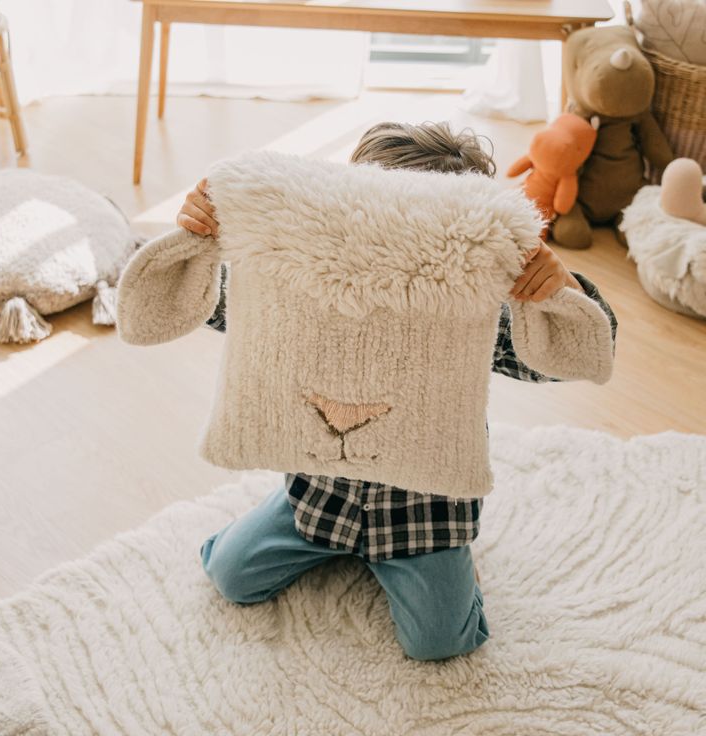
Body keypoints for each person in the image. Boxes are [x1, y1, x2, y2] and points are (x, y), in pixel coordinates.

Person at [176, 121, 618, 661]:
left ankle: (455, 568)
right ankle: (319, 540)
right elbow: (233, 312)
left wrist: (555, 287)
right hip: (319, 497)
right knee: (230, 575)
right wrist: (209, 236)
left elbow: (578, 353)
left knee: (438, 643)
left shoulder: (474, 309)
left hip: (424, 517)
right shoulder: (313, 286)